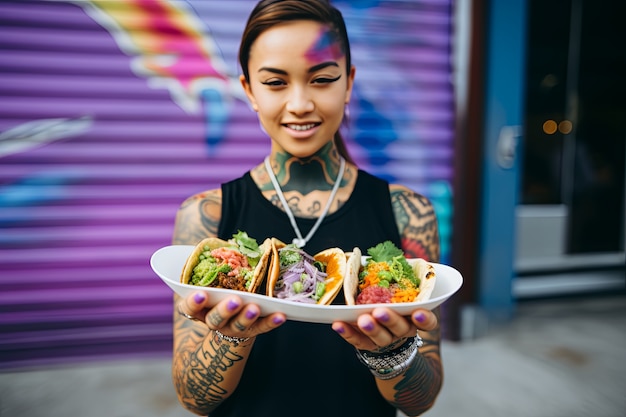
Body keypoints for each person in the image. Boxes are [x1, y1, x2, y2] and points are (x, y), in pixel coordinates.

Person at [171, 1, 442, 416]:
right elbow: (193, 398)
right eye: (276, 83)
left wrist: (394, 351)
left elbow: (421, 402)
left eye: (322, 79)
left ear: (348, 83)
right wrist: (231, 336)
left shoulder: (409, 213)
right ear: (249, 91)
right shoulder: (205, 215)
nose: (299, 103)